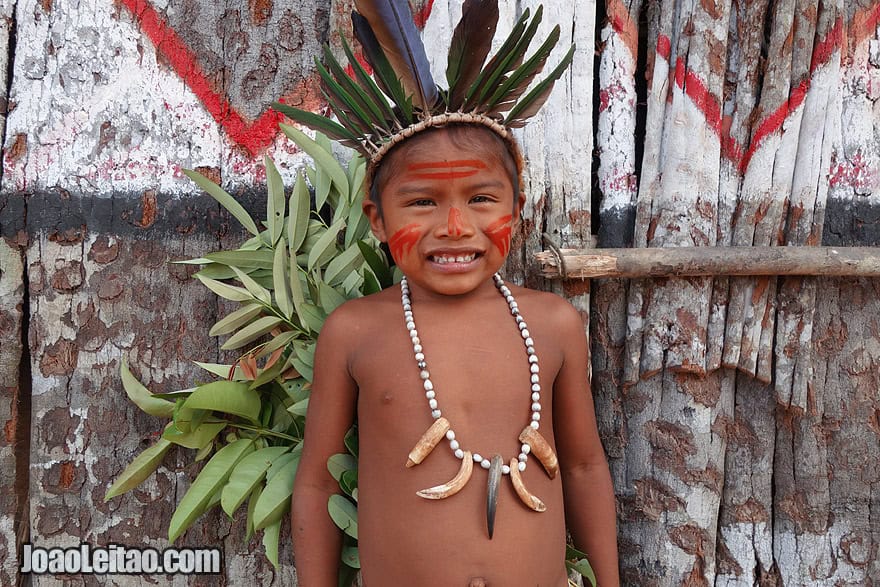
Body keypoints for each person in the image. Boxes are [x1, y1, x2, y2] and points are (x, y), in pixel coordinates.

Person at [281, 1, 619, 584]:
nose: (456, 228)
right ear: (378, 221)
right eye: (422, 202)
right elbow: (316, 482)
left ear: (518, 210)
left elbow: (585, 467)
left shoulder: (553, 324)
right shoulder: (357, 331)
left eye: (481, 200)